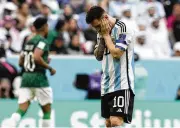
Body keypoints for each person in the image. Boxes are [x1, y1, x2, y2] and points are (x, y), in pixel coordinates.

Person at [86, 6, 135, 127]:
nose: (97, 30)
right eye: (94, 27)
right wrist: (102, 37)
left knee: (116, 121)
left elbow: (117, 53)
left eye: (97, 26)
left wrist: (106, 36)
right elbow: (98, 56)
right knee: (108, 122)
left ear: (105, 18)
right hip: (106, 84)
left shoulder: (123, 29)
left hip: (122, 83)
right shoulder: (101, 32)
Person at [6, 17, 56, 127]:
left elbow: (20, 61)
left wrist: (40, 61)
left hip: (26, 78)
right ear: (45, 27)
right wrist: (49, 68)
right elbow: (37, 57)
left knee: (22, 109)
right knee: (46, 110)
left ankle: (8, 125)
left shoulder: (29, 41)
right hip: (39, 79)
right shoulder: (42, 41)